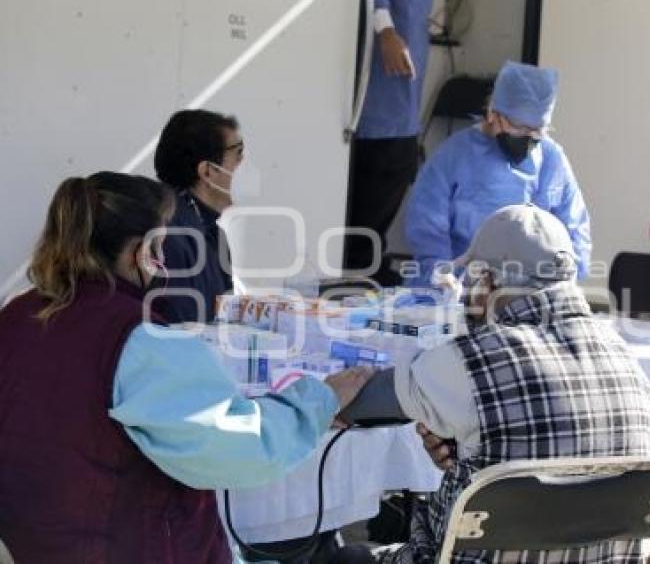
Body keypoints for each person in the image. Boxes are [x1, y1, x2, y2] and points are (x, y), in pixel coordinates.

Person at [0, 173, 372, 563]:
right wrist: (320, 400)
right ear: (141, 252)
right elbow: (240, 447)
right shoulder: (137, 338)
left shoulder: (15, 317)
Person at [340, 204, 650, 563]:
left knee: (339, 557)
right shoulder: (628, 357)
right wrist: (471, 459)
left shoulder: (471, 359)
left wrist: (320, 396)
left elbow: (360, 401)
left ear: (486, 280)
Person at [404, 61, 592, 287]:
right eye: (520, 128)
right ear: (493, 113)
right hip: (460, 290)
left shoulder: (551, 158)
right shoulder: (454, 156)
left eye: (538, 130)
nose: (529, 137)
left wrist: (564, 279)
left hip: (528, 293)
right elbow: (428, 228)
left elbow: (574, 230)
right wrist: (443, 276)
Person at [345, 0, 433, 283]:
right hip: (379, 118)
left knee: (398, 165)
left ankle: (366, 266)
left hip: (399, 115)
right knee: (383, 173)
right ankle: (361, 270)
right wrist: (385, 30)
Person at [153, 109, 245, 323]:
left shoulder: (211, 230)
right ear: (207, 171)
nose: (245, 163)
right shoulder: (170, 234)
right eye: (238, 153)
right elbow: (181, 332)